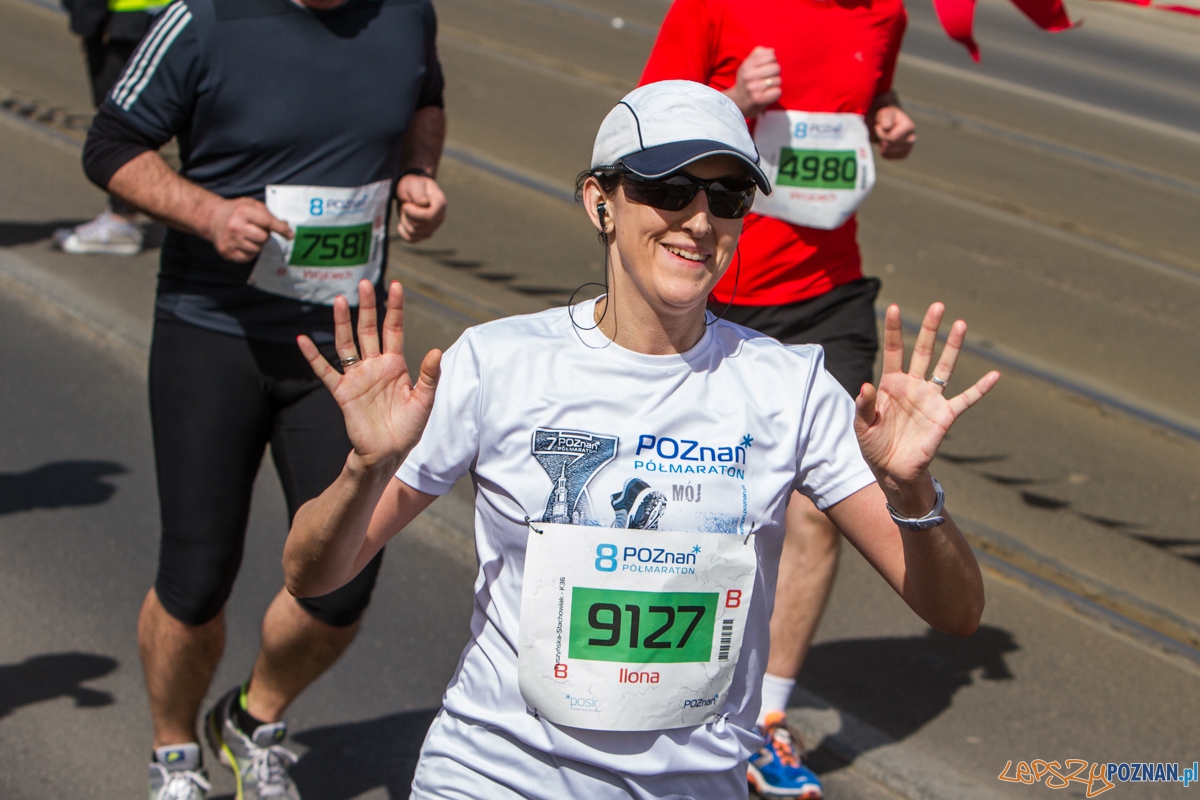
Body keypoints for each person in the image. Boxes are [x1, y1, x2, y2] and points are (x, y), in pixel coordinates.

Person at [281, 81, 995, 800]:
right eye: (671, 189)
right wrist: (364, 469)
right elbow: (314, 574)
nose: (698, 221)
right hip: (492, 778)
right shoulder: (496, 363)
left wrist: (913, 492)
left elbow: (956, 612)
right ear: (602, 201)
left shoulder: (790, 387)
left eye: (727, 198)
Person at [79, 0, 447, 797]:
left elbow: (424, 99)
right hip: (213, 333)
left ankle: (252, 720)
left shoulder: (405, 14)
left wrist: (420, 174)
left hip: (345, 352)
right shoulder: (204, 19)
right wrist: (206, 212)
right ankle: (175, 754)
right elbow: (108, 145)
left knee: (345, 574)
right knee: (196, 574)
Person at [640, 2, 917, 793]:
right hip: (715, 283)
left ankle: (766, 717)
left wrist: (889, 120)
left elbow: (866, 103)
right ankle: (668, 681)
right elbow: (644, 132)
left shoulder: (885, 13)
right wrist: (733, 99)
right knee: (695, 490)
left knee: (819, 501)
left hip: (828, 290)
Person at [56, 0, 172, 255]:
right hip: (161, 13)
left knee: (121, 121)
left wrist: (87, 19)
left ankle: (123, 221)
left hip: (124, 17)